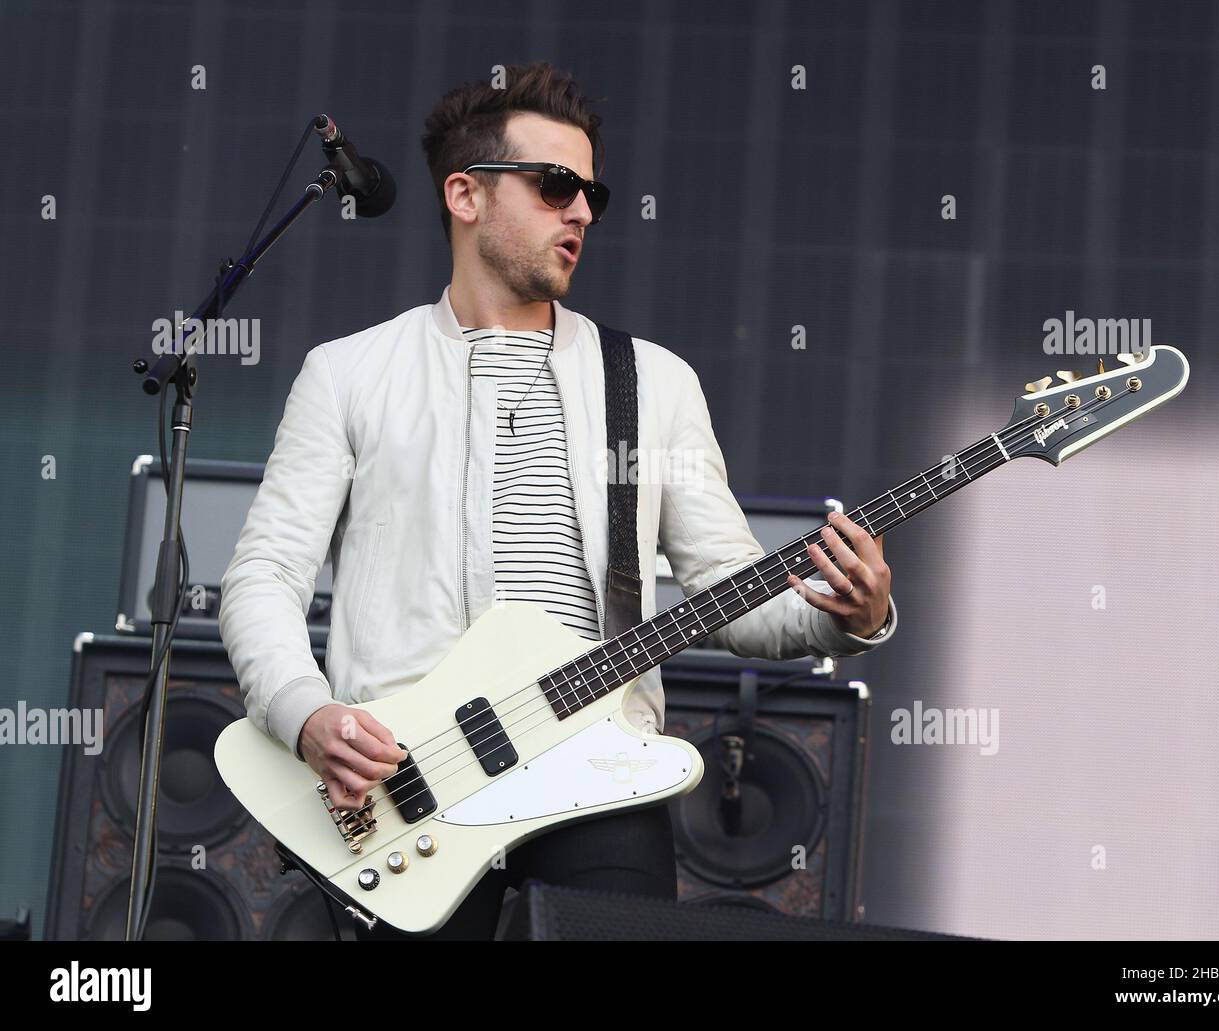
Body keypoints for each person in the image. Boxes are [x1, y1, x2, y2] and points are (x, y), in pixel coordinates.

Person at [219, 61, 896, 940]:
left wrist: (853, 616)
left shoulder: (653, 383)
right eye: (555, 185)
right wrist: (309, 714)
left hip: (597, 774)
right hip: (406, 781)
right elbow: (264, 575)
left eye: (592, 196)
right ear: (465, 196)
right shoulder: (347, 374)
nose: (581, 211)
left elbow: (732, 593)